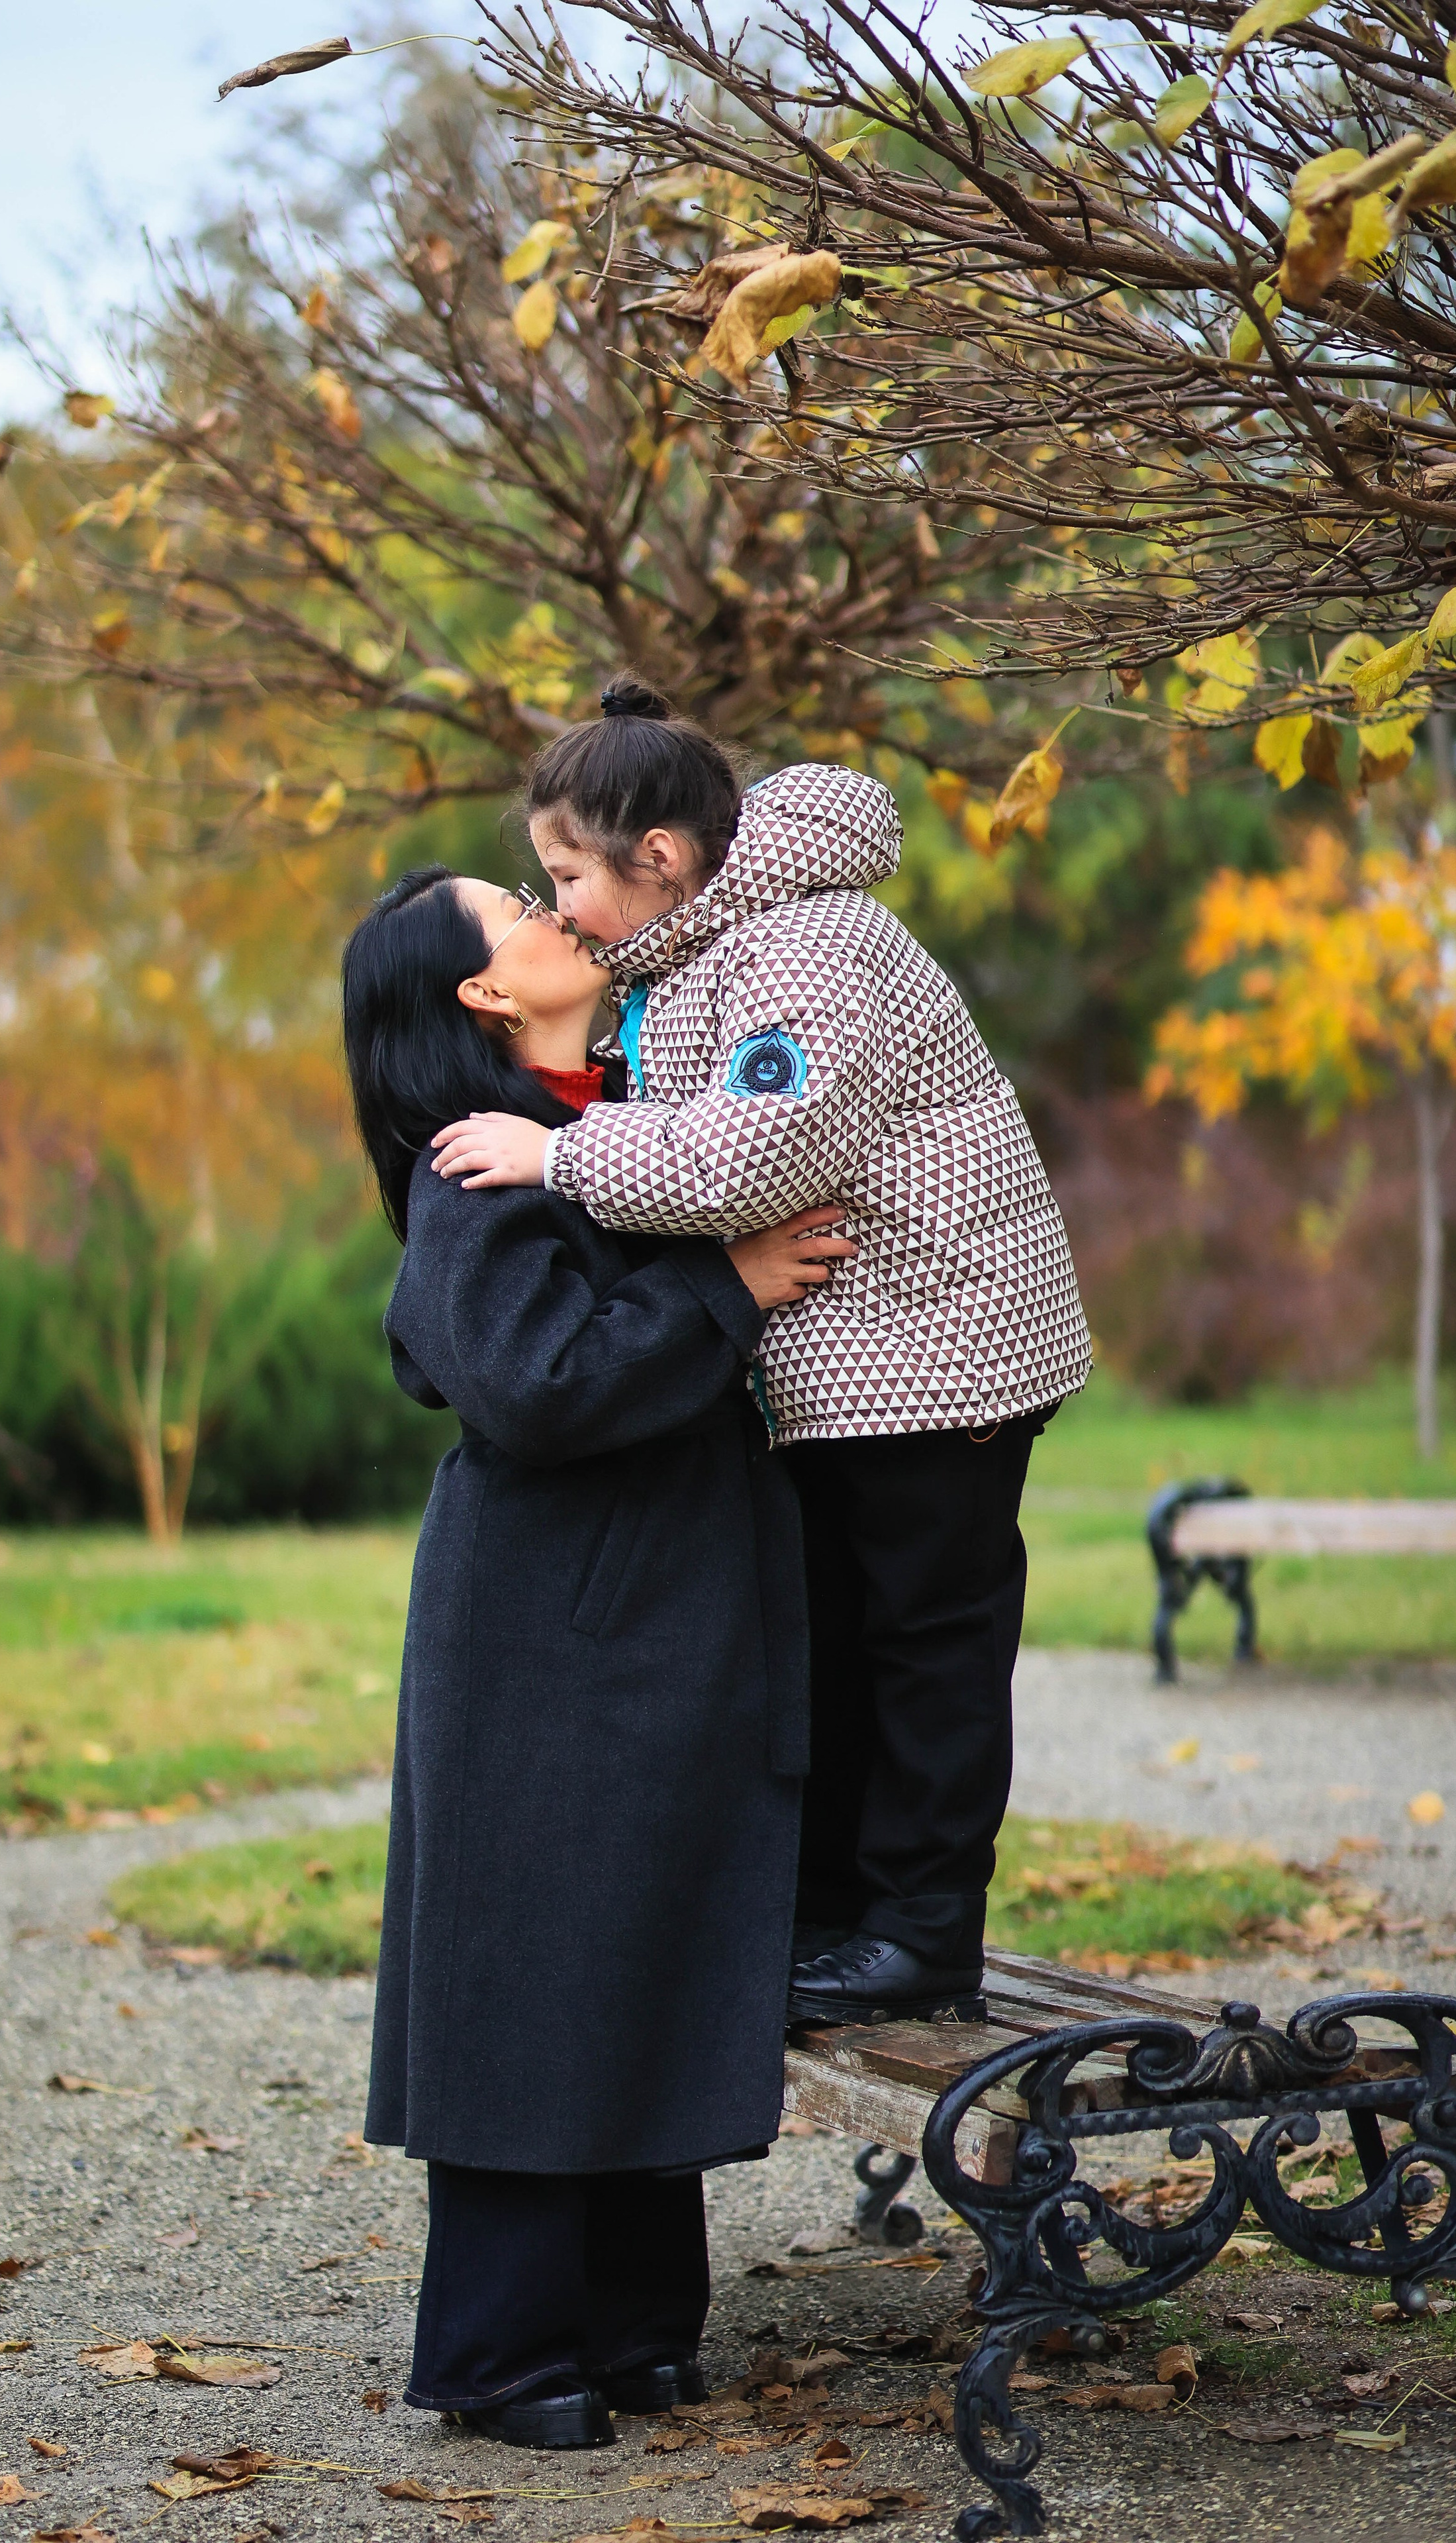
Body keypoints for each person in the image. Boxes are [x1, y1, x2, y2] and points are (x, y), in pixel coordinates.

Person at [429, 681, 1092, 2028]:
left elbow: (755, 1151)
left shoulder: (800, 945)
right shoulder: (704, 955)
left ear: (657, 859)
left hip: (935, 1346)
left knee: (924, 1649)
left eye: (566, 873)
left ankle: (918, 1933)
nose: (558, 904)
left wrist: (556, 1154)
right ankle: (844, 1922)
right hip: (861, 1358)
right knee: (847, 1646)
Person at [344, 862, 854, 2451]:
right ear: (482, 996)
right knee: (534, 1970)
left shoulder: (622, 1111)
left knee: (641, 1948)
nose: (560, 911)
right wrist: (724, 1284)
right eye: (521, 910)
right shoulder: (478, 1168)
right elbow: (533, 1382)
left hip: (658, 1612)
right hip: (551, 1635)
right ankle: (500, 2355)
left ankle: (633, 2328)